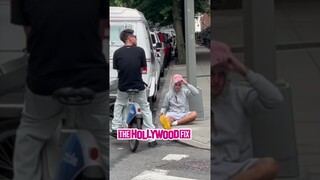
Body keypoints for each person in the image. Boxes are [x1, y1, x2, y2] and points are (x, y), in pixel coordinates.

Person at [10, 1, 109, 179]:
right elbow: (100, 32)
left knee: (31, 135)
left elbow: (31, 35)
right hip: (92, 78)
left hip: (45, 79)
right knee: (103, 140)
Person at [211, 40, 283, 180]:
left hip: (237, 168)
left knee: (270, 165)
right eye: (212, 74)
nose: (216, 81)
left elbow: (276, 100)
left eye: (221, 75)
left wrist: (243, 70)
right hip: (210, 168)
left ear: (227, 75)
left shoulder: (240, 94)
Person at [111, 29, 157, 147]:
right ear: (130, 38)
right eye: (135, 36)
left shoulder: (117, 52)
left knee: (119, 104)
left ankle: (115, 127)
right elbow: (142, 69)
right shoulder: (140, 51)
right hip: (138, 85)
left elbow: (119, 70)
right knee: (145, 108)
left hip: (123, 86)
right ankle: (151, 138)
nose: (136, 38)